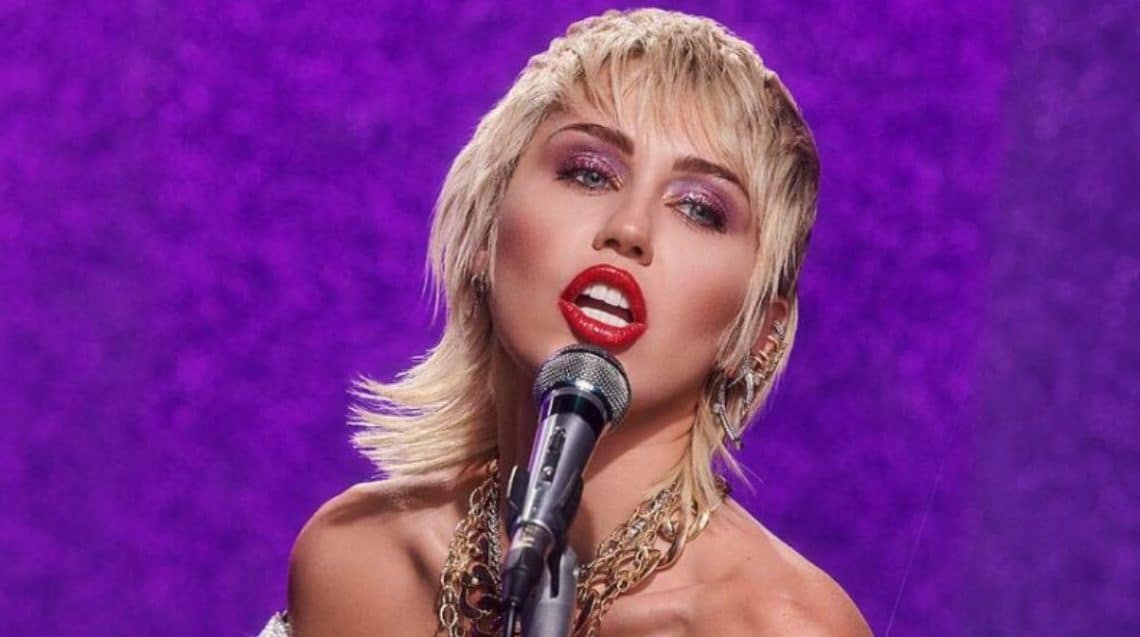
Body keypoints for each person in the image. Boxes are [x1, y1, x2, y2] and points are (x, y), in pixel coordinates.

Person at [261, 8, 872, 637]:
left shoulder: (778, 625)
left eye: (698, 209)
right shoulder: (355, 562)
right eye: (589, 173)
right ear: (485, 229)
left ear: (759, 330)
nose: (629, 228)